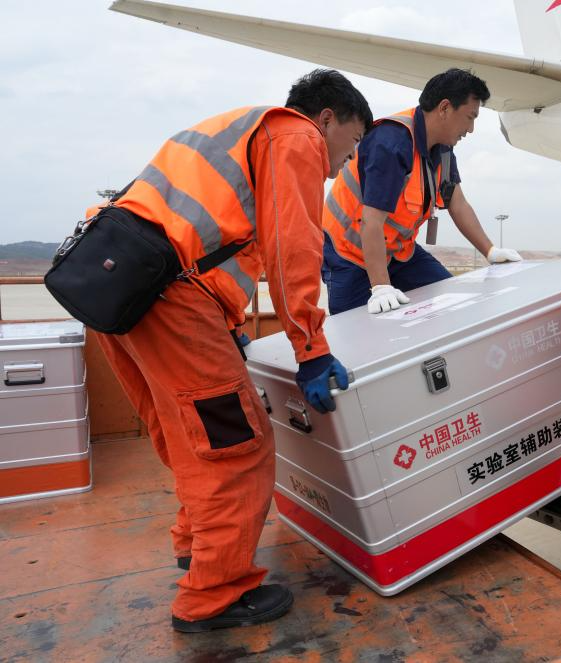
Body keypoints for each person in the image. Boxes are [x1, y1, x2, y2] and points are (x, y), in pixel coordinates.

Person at [93, 69, 372, 632]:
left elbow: (199, 236)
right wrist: (311, 349)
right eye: (355, 140)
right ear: (326, 119)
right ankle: (214, 595)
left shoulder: (239, 130)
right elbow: (292, 246)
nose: (351, 158)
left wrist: (226, 327)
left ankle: (196, 546)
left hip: (118, 285)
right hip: (172, 298)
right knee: (236, 444)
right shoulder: (295, 136)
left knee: (188, 436)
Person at [322, 68, 522, 315]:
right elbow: (371, 222)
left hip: (397, 253)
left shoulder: (443, 150)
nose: (470, 129)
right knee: (358, 327)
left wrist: (490, 251)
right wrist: (381, 287)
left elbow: (458, 204)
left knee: (449, 304)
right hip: (349, 254)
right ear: (445, 108)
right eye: (470, 117)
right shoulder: (392, 143)